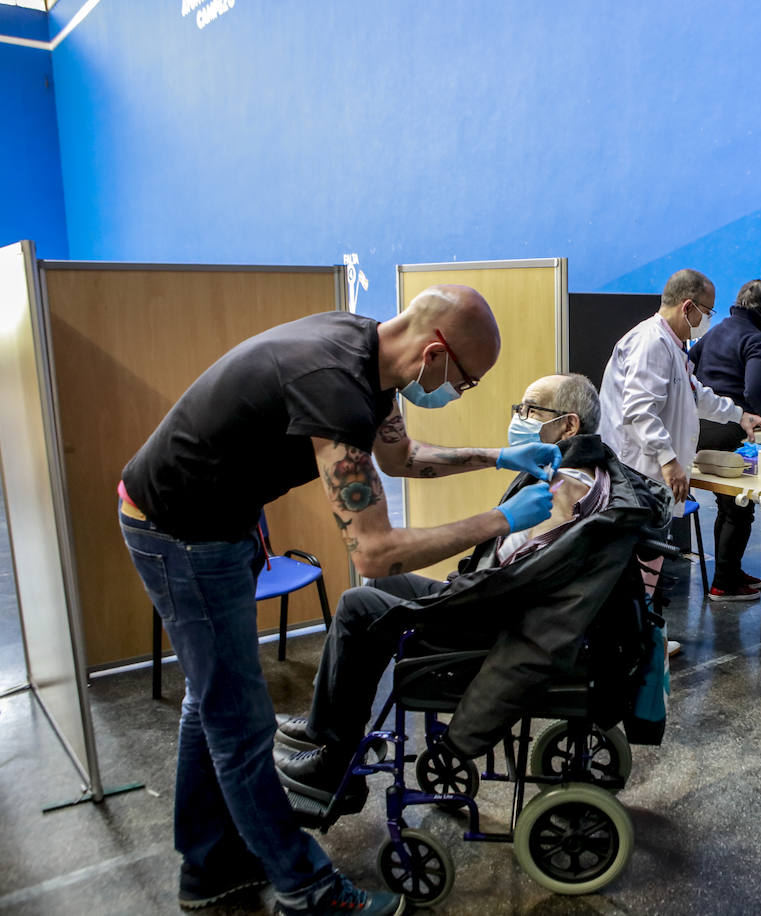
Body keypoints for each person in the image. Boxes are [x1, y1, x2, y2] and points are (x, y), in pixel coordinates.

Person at [118, 285, 560, 916]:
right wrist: (500, 520)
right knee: (239, 725)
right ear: (436, 353)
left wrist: (498, 456)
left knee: (210, 702)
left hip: (220, 518)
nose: (462, 393)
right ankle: (309, 893)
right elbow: (374, 554)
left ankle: (209, 866)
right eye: (466, 382)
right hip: (180, 530)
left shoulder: (370, 355)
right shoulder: (333, 385)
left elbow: (402, 456)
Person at [275, 373, 613, 794]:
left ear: (569, 425)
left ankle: (334, 763)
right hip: (491, 599)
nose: (520, 417)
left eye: (530, 410)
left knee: (357, 605)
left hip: (488, 618)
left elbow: (513, 574)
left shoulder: (565, 490)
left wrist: (464, 577)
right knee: (383, 576)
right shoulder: (583, 474)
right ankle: (323, 724)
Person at [598, 269, 761, 653]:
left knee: (648, 557)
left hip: (649, 472)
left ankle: (641, 634)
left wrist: (741, 416)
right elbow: (639, 411)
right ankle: (633, 639)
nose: (708, 320)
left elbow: (697, 394)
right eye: (707, 312)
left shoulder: (673, 345)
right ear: (689, 307)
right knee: (638, 558)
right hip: (637, 470)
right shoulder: (650, 343)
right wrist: (668, 461)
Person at [688, 278, 761, 601]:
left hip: (697, 431)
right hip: (730, 430)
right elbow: (757, 390)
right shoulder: (757, 341)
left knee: (726, 505)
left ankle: (727, 572)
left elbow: (689, 370)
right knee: (740, 508)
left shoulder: (714, 332)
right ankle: (724, 584)